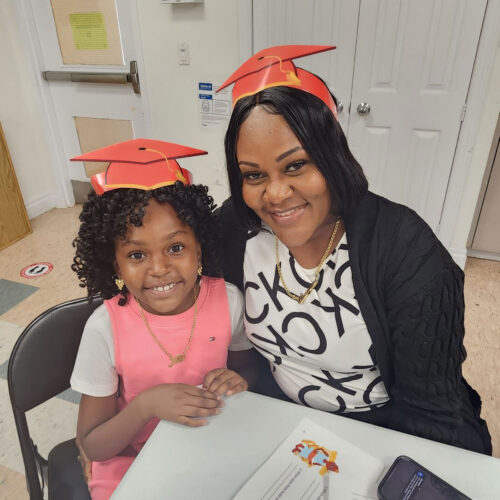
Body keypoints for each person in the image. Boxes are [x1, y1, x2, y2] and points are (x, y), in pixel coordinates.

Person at [217, 45, 492, 454]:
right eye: (254, 174)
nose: (274, 194)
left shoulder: (405, 250)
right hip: (276, 418)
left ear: (332, 157)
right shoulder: (237, 227)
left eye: (296, 166)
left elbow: (430, 414)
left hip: (381, 431)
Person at [70, 139, 251, 499]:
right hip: (133, 460)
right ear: (115, 263)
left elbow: (251, 371)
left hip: (206, 448)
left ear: (199, 246)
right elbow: (93, 445)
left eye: (176, 247)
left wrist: (237, 381)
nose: (160, 268)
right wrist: (146, 406)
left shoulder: (228, 302)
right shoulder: (105, 328)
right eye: (137, 254)